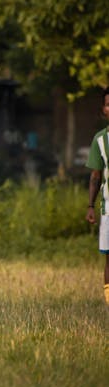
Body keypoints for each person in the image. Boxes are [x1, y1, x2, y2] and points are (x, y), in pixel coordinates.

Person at [85, 86, 109, 306]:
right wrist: (90, 206)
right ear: (104, 109)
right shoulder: (101, 140)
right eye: (108, 104)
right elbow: (95, 175)